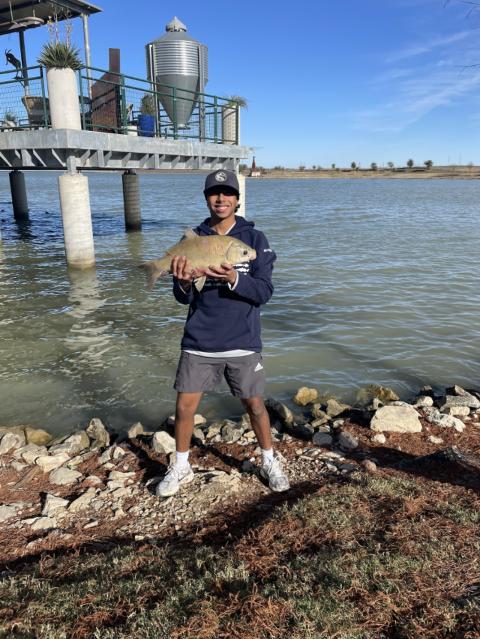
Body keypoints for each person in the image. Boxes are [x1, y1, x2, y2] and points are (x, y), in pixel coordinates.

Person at [156, 169, 290, 498]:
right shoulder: (195, 240)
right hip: (199, 339)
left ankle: (269, 460)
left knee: (255, 406)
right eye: (214, 193)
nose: (221, 198)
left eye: (227, 193)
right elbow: (183, 298)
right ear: (207, 199)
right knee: (184, 408)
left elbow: (264, 291)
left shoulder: (254, 240)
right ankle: (181, 465)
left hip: (242, 339)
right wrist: (183, 281)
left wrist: (234, 278)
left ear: (236, 199)